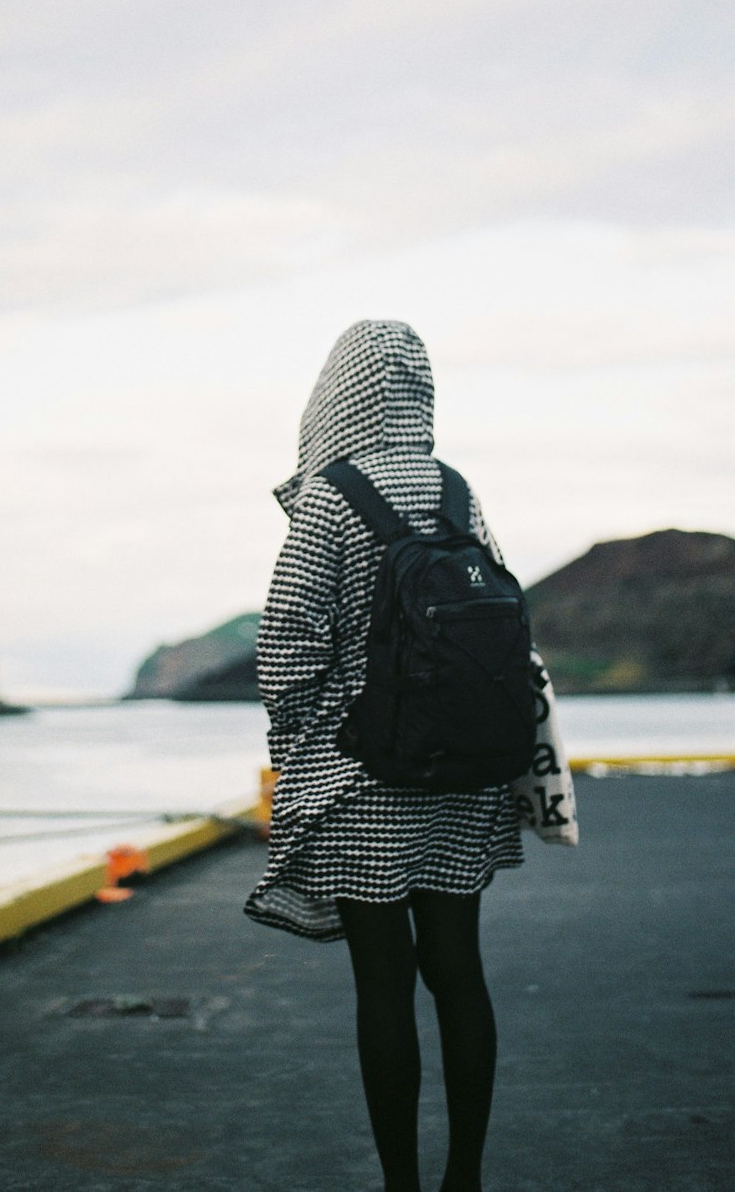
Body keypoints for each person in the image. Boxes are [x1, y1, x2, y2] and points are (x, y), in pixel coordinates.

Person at [244, 319, 577, 1192]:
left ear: (335, 393)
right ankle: (464, 1176)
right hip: (466, 776)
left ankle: (402, 1186)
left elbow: (283, 649)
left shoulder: (330, 501)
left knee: (384, 988)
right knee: (460, 973)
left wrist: (307, 752)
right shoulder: (458, 493)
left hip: (367, 781)